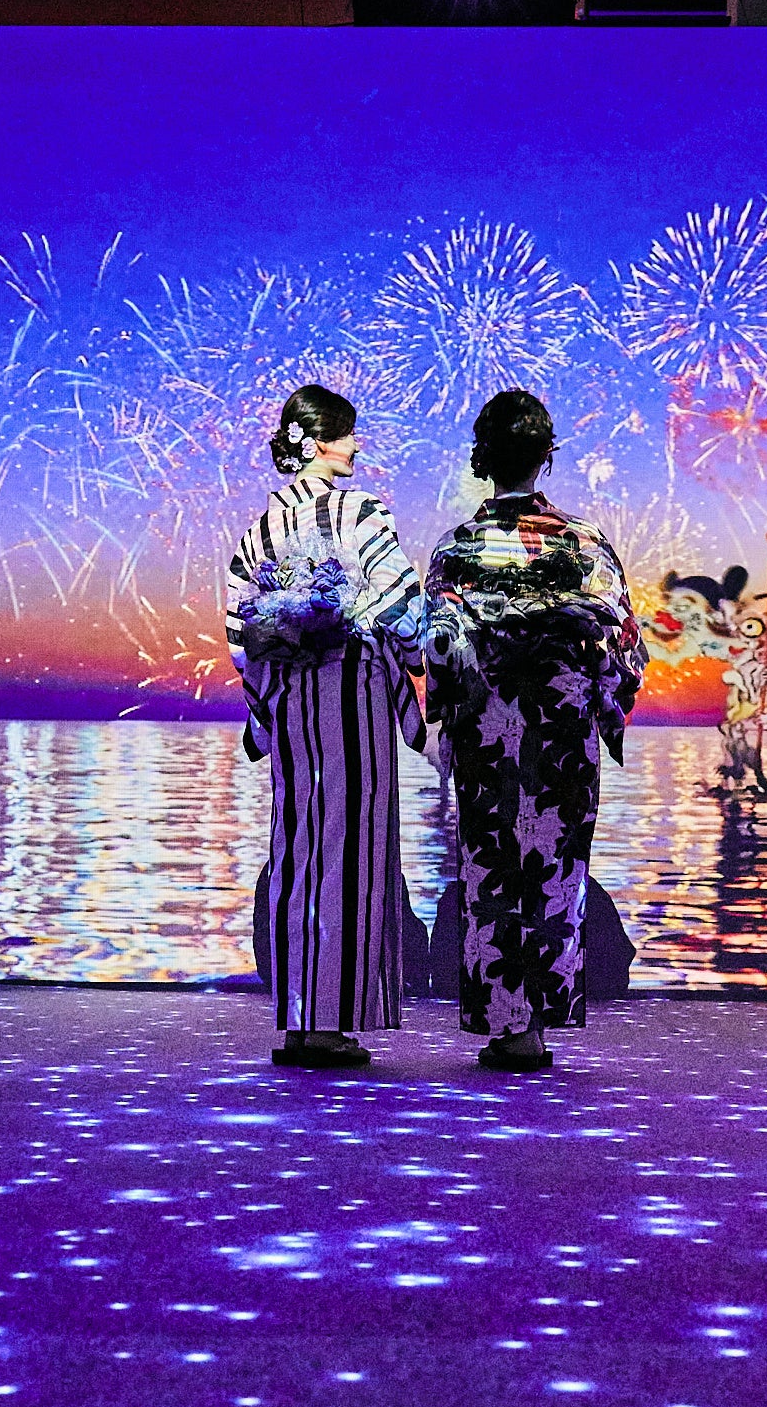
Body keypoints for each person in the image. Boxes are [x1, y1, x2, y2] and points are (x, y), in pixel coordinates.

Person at [420, 390, 646, 1076]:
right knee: (555, 870)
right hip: (560, 727)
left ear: (482, 458)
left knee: (489, 868)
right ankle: (537, 1025)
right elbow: (621, 643)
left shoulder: (456, 548)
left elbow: (438, 649)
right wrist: (606, 704)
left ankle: (505, 1025)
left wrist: (450, 709)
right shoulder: (584, 542)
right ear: (547, 456)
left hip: (488, 728)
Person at [223, 385, 427, 1070]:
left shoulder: (259, 530)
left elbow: (241, 631)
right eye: (346, 434)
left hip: (289, 696)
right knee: (353, 849)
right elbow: (399, 600)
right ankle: (333, 1022)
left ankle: (297, 1019)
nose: (356, 445)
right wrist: (419, 661)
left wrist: (263, 698)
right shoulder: (358, 511)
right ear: (317, 443)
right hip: (351, 689)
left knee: (296, 849)